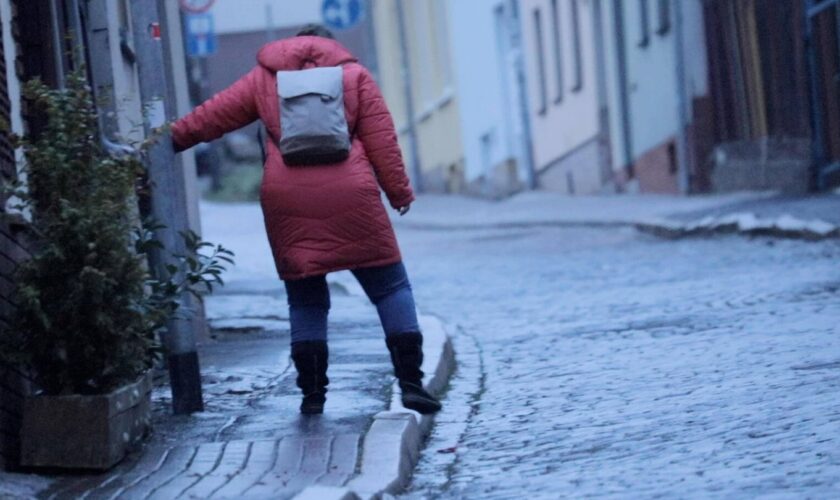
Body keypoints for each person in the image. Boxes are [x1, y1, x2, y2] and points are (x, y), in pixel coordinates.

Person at [170, 24, 441, 415]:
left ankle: (313, 396)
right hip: (353, 194)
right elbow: (383, 140)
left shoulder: (264, 79)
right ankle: (412, 384)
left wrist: (168, 139)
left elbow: (213, 116)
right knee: (389, 287)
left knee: (306, 300)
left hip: (288, 198)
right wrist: (399, 193)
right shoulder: (355, 77)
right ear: (331, 46)